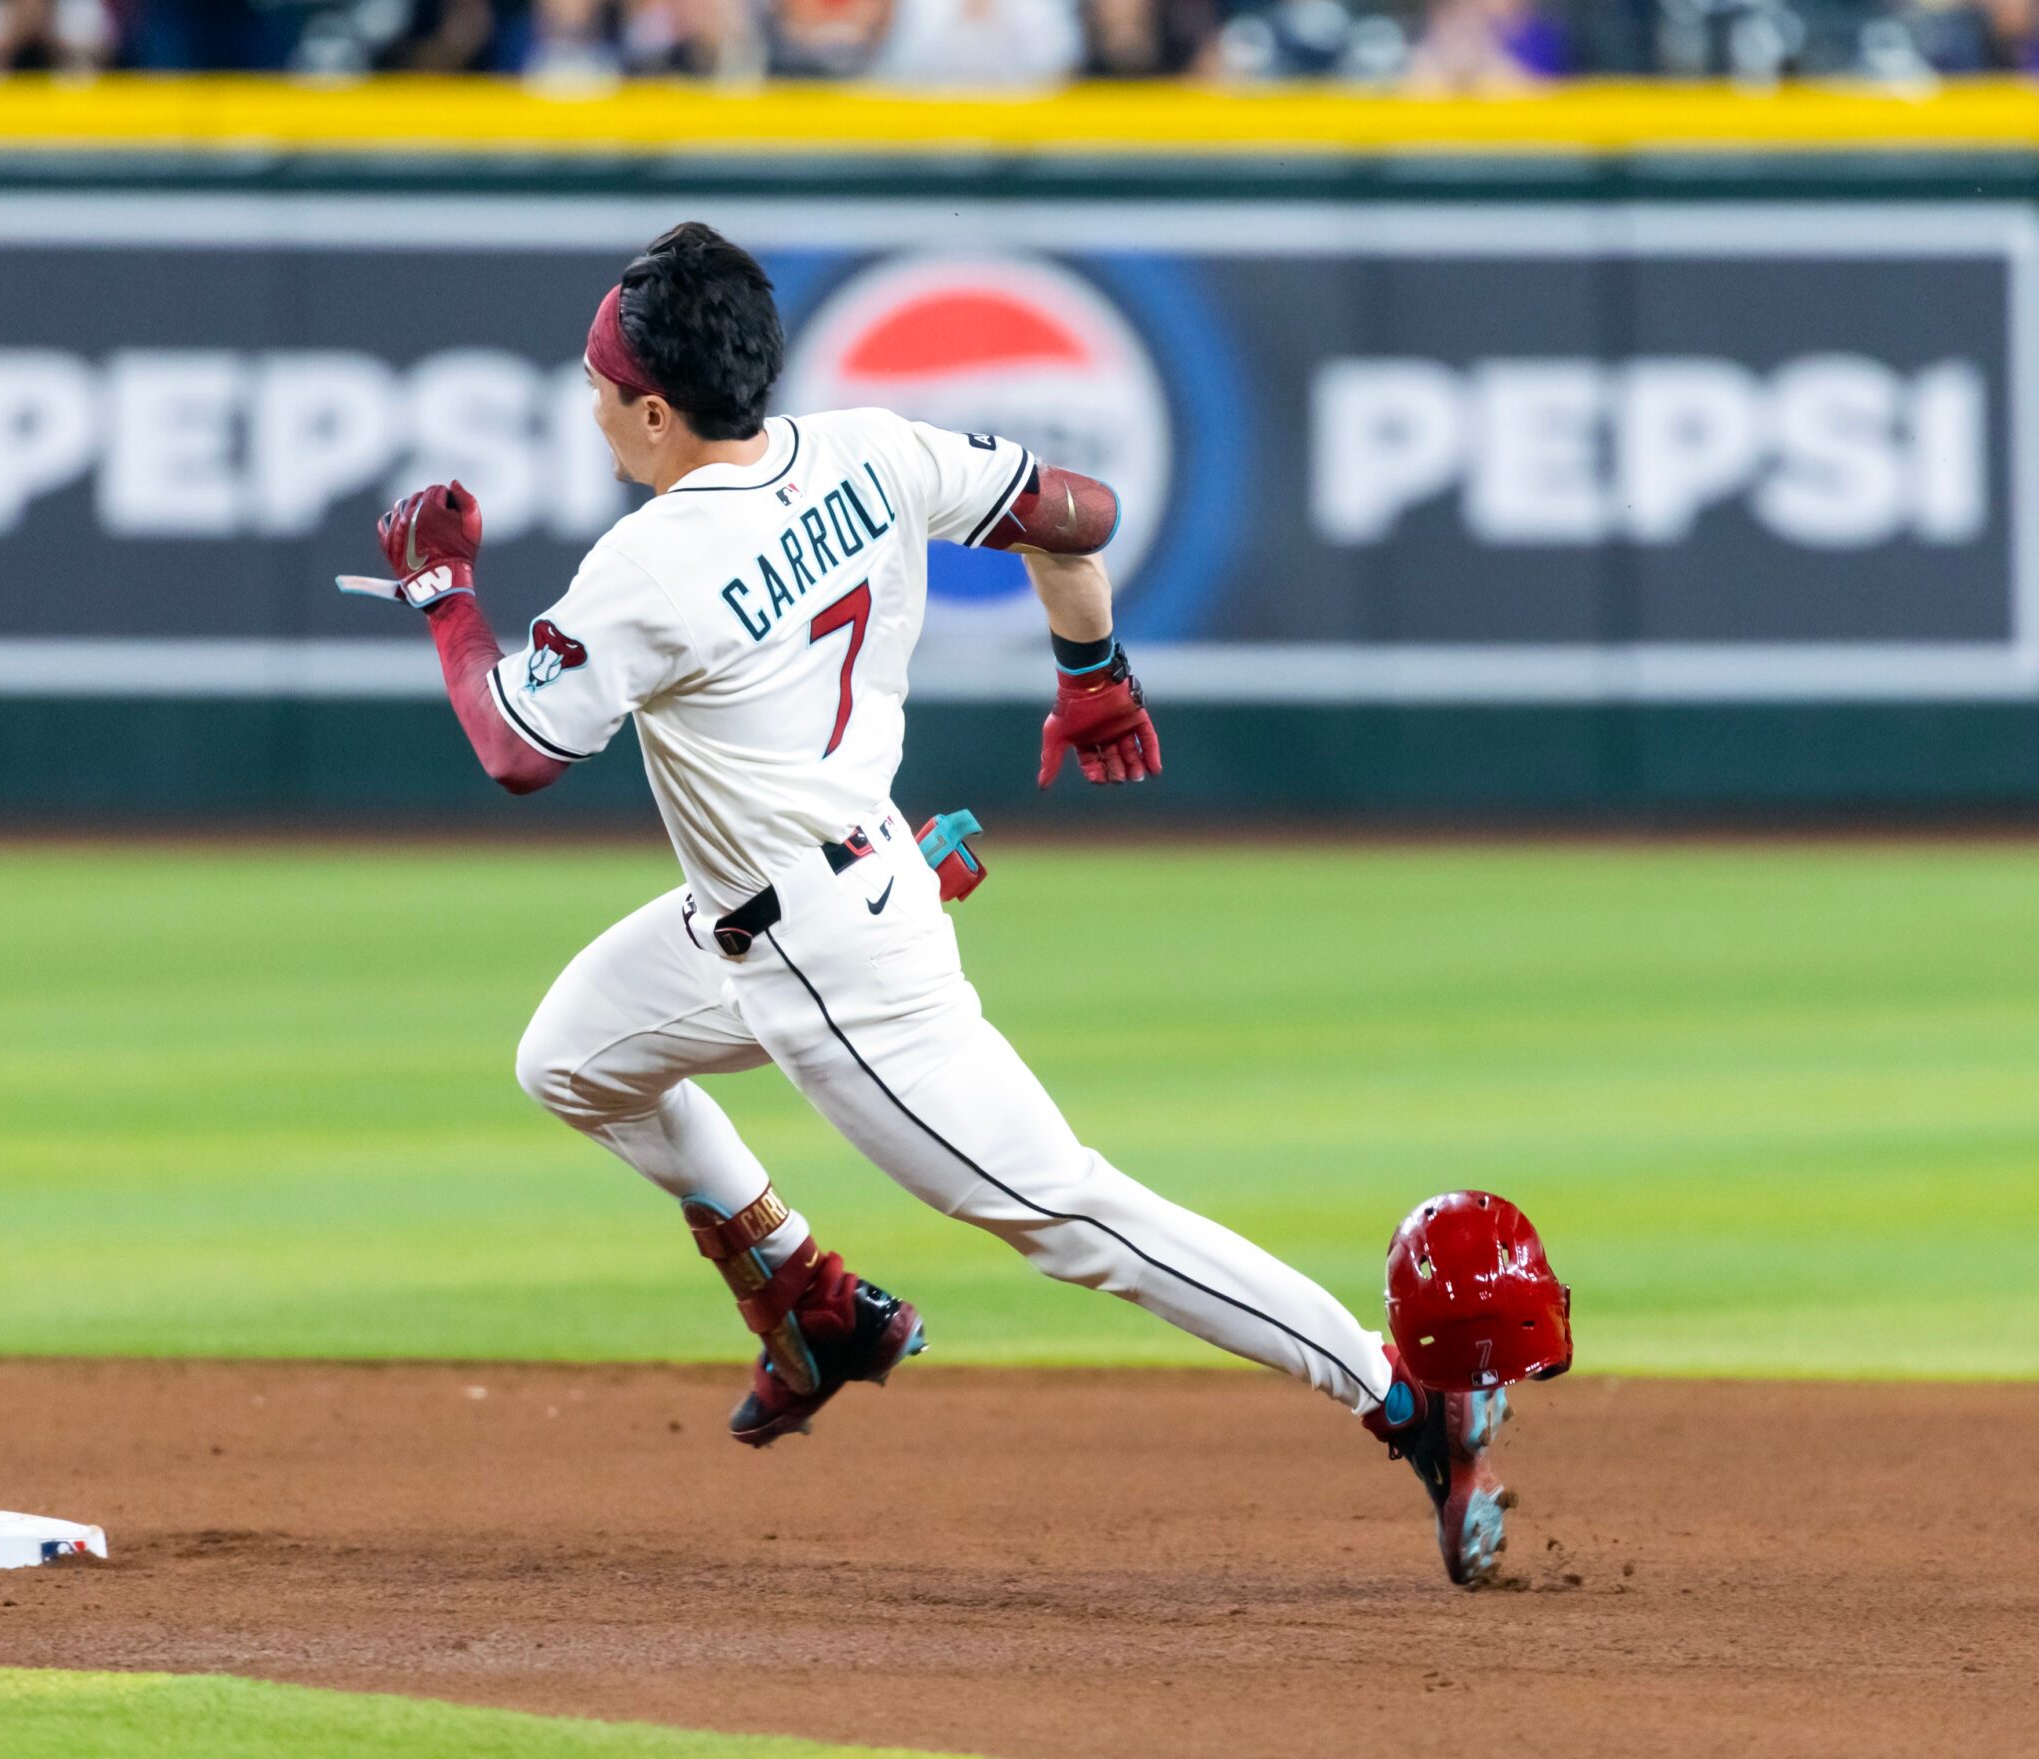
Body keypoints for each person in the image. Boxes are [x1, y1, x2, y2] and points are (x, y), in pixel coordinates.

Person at [340, 222, 1554, 1586]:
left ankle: (1410, 1405)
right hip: (799, 892)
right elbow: (1075, 511)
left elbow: (513, 750)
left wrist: (445, 597)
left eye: (601, 382)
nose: (593, 403)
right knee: (569, 1057)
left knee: (1070, 1215)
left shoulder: (651, 565)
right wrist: (1095, 670)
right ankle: (810, 1300)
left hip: (830, 966)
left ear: (658, 410)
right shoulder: (871, 449)